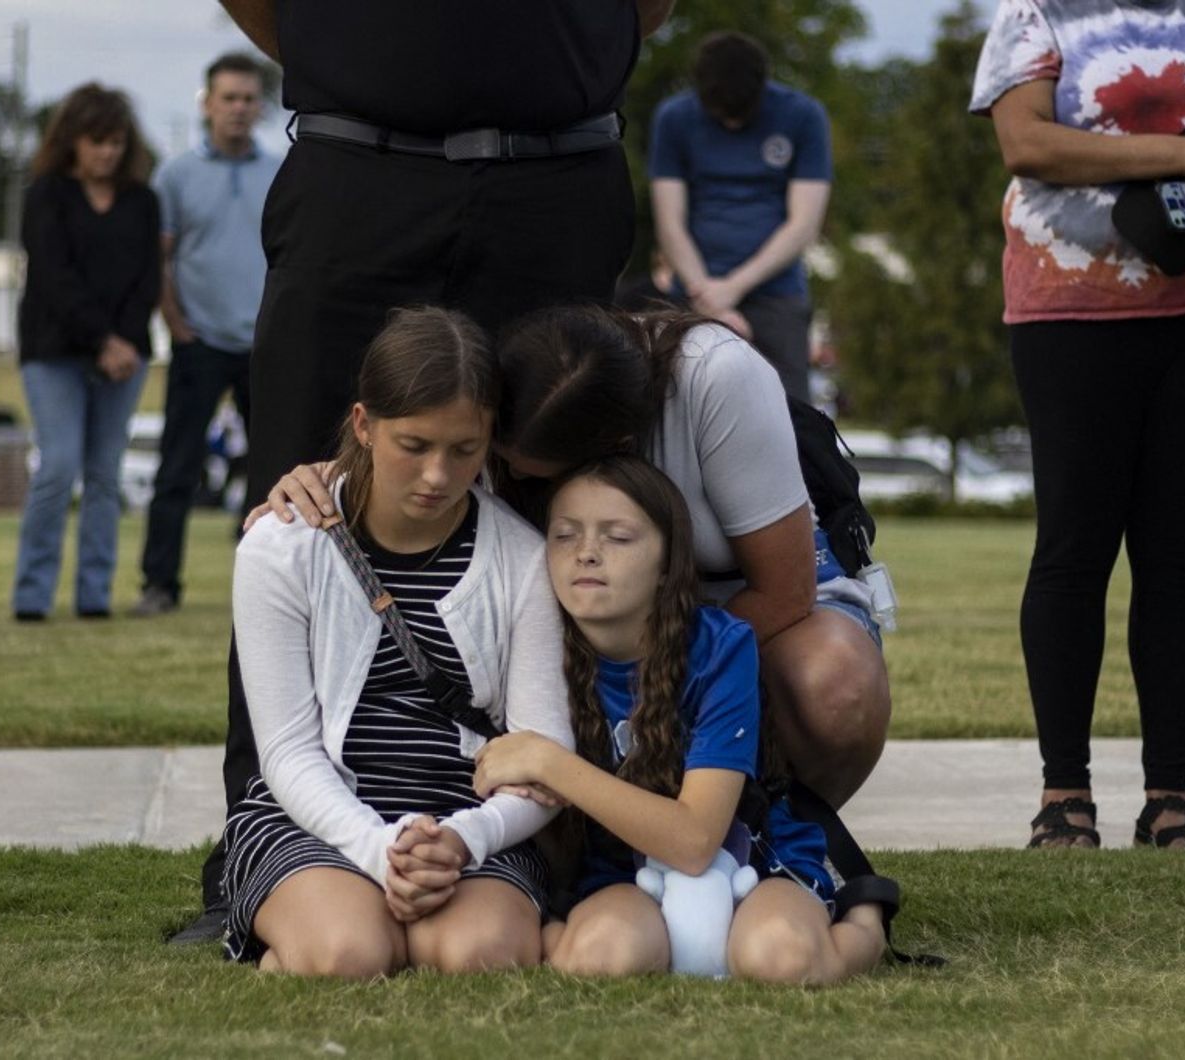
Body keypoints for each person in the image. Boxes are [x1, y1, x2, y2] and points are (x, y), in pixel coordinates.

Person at [174, 0, 673, 944]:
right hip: (358, 166)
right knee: (296, 503)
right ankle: (262, 855)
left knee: (563, 511)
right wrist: (360, 51)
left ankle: (563, 840)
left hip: (557, 176)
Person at [262, 306, 891, 817]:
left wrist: (663, 675)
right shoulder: (530, 382)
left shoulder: (718, 377)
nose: (488, 475)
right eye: (489, 454)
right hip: (594, 615)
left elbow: (785, 591)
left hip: (743, 601)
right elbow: (421, 452)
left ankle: (785, 831)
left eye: (523, 472)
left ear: (614, 453)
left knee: (833, 685)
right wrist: (331, 476)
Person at [971, 0, 1185, 849]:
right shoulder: (1040, 11)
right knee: (1073, 546)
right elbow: (1027, 143)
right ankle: (1064, 795)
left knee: (1180, 558)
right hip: (1068, 305)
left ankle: (1169, 798)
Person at [223, 306, 572, 975]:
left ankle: (366, 921)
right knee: (348, 953)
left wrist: (463, 840)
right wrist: (379, 849)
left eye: (464, 449)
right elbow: (288, 751)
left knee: (478, 956)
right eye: (413, 445)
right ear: (364, 425)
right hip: (315, 817)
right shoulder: (281, 547)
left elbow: (542, 752)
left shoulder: (522, 559)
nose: (438, 475)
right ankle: (315, 926)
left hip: (469, 823)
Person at [472, 456, 886, 982]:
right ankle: (570, 931)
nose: (587, 554)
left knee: (781, 959)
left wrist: (549, 763)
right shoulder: (534, 646)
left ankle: (866, 917)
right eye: (564, 535)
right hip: (620, 870)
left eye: (618, 537)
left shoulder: (719, 647)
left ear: (668, 562)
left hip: (750, 857)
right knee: (597, 960)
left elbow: (696, 841)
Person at [131, 54, 281, 618]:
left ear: (260, 106)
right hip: (199, 345)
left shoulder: (282, 170)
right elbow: (158, 259)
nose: (239, 109)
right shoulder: (175, 176)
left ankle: (269, 591)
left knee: (275, 471)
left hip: (264, 347)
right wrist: (175, 325)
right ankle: (159, 585)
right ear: (207, 104)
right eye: (229, 98)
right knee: (177, 469)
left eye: (248, 99)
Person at [11, 83, 160, 622]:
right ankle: (32, 596)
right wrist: (103, 340)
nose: (108, 152)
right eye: (97, 141)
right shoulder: (45, 194)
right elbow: (53, 276)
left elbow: (148, 278)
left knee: (105, 474)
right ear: (72, 141)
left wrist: (121, 343)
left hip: (125, 356)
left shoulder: (143, 201)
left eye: (116, 141)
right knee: (58, 467)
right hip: (54, 352)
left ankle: (93, 597)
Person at [649, 31, 832, 403]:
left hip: (775, 295)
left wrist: (732, 288)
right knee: (674, 409)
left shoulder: (802, 115)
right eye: (721, 115)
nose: (732, 124)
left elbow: (803, 226)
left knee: (793, 416)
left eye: (741, 115)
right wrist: (708, 297)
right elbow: (669, 223)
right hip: (692, 293)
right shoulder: (674, 118)